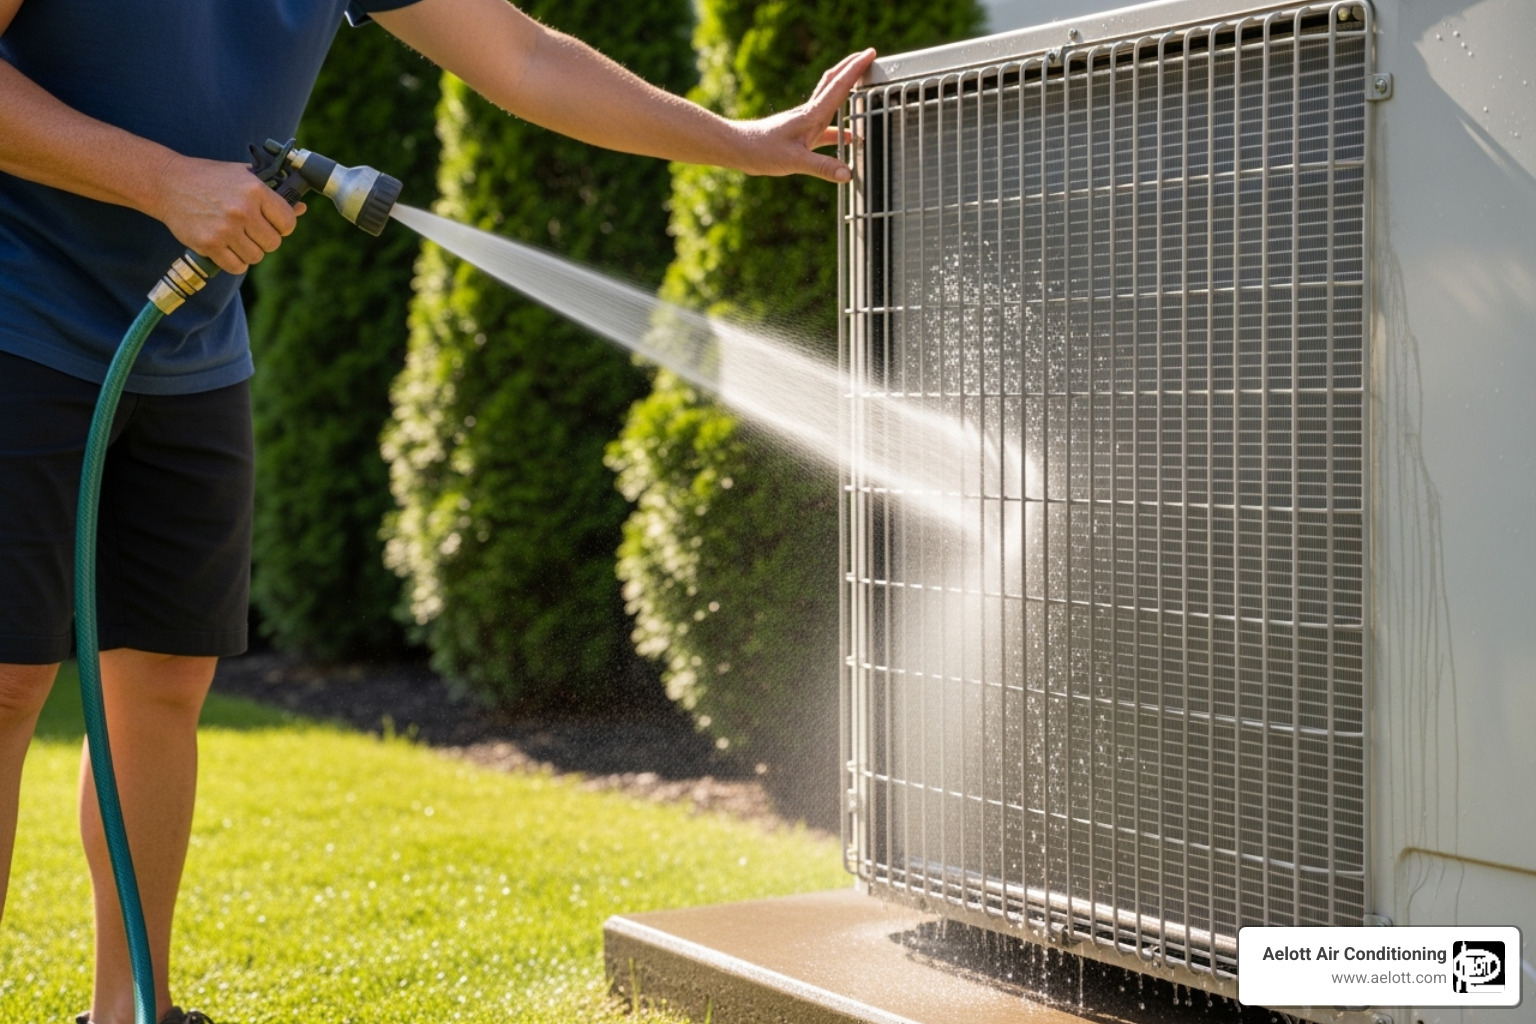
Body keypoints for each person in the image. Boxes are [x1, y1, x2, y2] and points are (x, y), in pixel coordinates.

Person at [0, 0, 875, 1020]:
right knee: (8, 686)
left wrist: (737, 142)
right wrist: (165, 181)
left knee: (158, 690)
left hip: (188, 344)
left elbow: (525, 55)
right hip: (18, 316)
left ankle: (133, 1010)